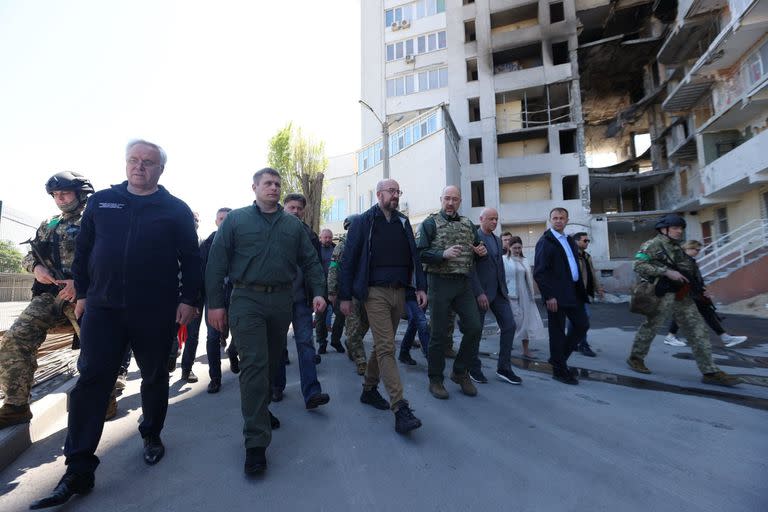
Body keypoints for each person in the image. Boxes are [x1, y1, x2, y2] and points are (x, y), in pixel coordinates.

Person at [30, 140, 203, 509]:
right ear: (126, 164)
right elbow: (85, 254)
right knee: (91, 382)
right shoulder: (102, 203)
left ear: (160, 169)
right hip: (104, 310)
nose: (140, 167)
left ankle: (151, 434)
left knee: (155, 375)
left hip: (155, 311)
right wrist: (83, 295)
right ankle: (78, 468)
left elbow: (191, 260)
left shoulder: (175, 210)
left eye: (148, 162)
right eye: (133, 160)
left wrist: (189, 300)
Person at [206, 168, 326, 475]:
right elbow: (216, 262)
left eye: (277, 184)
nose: (273, 188)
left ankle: (260, 410)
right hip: (246, 299)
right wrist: (215, 305)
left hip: (281, 300)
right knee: (255, 365)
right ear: (255, 187)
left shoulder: (293, 226)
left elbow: (311, 260)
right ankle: (256, 443)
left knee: (272, 363)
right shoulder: (236, 220)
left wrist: (319, 292)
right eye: (267, 183)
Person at [0, 172, 95, 430]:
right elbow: (29, 255)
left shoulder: (97, 219)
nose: (59, 199)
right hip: (51, 296)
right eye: (55, 195)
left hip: (88, 296)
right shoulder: (50, 224)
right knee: (14, 339)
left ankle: (101, 401)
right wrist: (35, 269)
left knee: (96, 349)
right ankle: (16, 406)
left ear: (81, 193)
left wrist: (81, 284)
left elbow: (112, 258)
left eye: (65, 193)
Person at [339, 179, 426, 434]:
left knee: (381, 345)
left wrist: (420, 286)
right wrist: (345, 296)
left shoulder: (402, 222)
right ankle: (400, 407)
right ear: (379, 194)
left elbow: (414, 255)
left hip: (400, 291)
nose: (396, 196)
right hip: (374, 292)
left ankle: (368, 389)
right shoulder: (363, 222)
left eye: (398, 191)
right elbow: (348, 260)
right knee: (388, 346)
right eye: (391, 191)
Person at [626, 214, 740, 387]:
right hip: (660, 294)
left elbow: (688, 271)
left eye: (681, 228)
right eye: (675, 228)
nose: (679, 231)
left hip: (682, 295)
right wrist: (665, 271)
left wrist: (701, 289)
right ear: (664, 229)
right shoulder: (652, 245)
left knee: (698, 330)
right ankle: (636, 358)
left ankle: (710, 371)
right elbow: (638, 265)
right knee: (651, 327)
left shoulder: (677, 248)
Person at [416, 185, 488, 399]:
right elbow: (420, 253)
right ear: (441, 199)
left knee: (474, 327)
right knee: (438, 334)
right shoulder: (430, 223)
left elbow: (477, 247)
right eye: (447, 198)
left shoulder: (467, 224)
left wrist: (481, 251)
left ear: (460, 201)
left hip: (463, 283)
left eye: (454, 199)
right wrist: (442, 254)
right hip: (439, 282)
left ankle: (460, 372)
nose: (450, 203)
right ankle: (436, 379)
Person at [270, 193, 331, 409]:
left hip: (301, 300)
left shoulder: (310, 235)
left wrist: (319, 293)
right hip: (277, 300)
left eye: (299, 208)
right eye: (291, 207)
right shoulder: (273, 230)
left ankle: (312, 393)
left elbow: (315, 268)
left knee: (306, 344)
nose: (295, 211)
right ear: (284, 207)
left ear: (303, 211)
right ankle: (277, 386)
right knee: (277, 346)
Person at [533, 207, 589, 385]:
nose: (558, 221)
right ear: (550, 220)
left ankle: (558, 358)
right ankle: (559, 371)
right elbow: (540, 273)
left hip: (573, 292)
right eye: (555, 218)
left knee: (582, 325)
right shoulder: (545, 241)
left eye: (561, 218)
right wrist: (549, 296)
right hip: (555, 296)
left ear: (567, 220)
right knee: (557, 333)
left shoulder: (570, 240)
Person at [469, 208, 522, 385]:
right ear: (481, 219)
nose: (494, 222)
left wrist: (505, 291)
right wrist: (478, 293)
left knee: (509, 325)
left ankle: (504, 368)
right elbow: (470, 269)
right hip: (481, 293)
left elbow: (499, 266)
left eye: (496, 219)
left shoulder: (498, 241)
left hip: (499, 292)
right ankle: (473, 367)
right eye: (491, 219)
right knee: (476, 331)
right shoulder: (474, 238)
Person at [663, 240, 747, 348]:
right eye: (695, 249)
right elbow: (688, 279)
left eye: (699, 250)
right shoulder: (683, 261)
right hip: (686, 292)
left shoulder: (689, 260)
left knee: (706, 313)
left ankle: (725, 338)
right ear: (687, 248)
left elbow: (696, 278)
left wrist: (703, 289)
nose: (697, 252)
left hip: (693, 292)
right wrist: (700, 290)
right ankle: (670, 337)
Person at [327, 215, 369, 376]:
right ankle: (361, 361)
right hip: (348, 292)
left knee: (366, 323)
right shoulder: (342, 246)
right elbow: (333, 268)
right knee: (353, 326)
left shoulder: (367, 243)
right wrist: (332, 291)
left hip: (365, 291)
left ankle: (352, 343)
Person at [199, 207, 234, 393]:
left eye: (227, 218)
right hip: (214, 297)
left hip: (237, 295)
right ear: (216, 221)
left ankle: (234, 353)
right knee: (212, 337)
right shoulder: (207, 244)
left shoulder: (241, 242)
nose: (224, 221)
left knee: (241, 333)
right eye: (221, 218)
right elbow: (199, 271)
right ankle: (215, 378)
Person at [502, 234, 544, 360]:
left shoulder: (525, 260)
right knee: (514, 322)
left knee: (527, 322)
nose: (517, 250)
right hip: (511, 294)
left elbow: (529, 278)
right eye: (515, 248)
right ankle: (506, 347)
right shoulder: (504, 260)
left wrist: (533, 292)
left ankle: (526, 350)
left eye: (519, 248)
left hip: (525, 294)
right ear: (509, 247)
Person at [569, 232, 604, 358]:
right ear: (576, 241)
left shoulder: (587, 256)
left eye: (588, 240)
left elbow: (592, 274)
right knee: (584, 318)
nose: (587, 242)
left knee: (574, 320)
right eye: (585, 240)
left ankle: (572, 342)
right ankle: (583, 344)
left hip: (585, 293)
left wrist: (598, 288)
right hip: (575, 293)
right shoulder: (571, 256)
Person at [315, 228, 345, 354]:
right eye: (325, 237)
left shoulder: (337, 249)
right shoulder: (315, 250)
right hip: (321, 288)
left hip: (336, 288)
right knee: (320, 318)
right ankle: (322, 342)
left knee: (341, 315)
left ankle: (336, 340)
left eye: (329, 237)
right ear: (320, 238)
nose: (327, 239)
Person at [398, 287, 430, 365]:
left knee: (414, 322)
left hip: (423, 291)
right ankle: (432, 359)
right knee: (421, 321)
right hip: (409, 292)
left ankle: (404, 352)